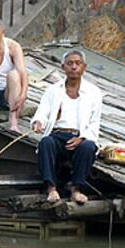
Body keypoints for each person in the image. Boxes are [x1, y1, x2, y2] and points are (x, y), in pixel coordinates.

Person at [31, 50, 102, 204]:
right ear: (63, 67)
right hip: (58, 136)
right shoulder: (53, 90)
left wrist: (82, 137)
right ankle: (51, 188)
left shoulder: (94, 93)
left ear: (84, 67)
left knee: (88, 147)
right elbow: (42, 112)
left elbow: (94, 123)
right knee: (46, 143)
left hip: (79, 136)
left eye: (78, 63)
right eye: (70, 63)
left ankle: (76, 189)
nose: (74, 67)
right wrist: (38, 122)